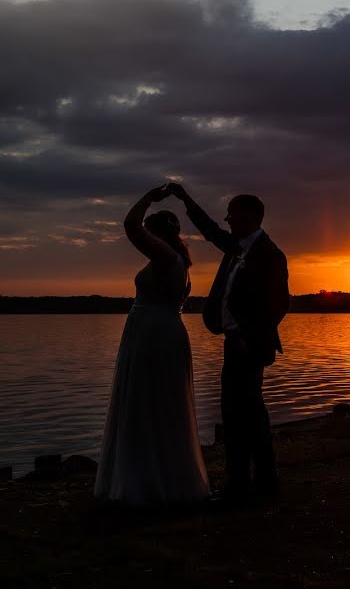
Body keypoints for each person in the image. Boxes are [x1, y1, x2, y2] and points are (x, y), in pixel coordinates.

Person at [167, 182, 289, 500]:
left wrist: (251, 338)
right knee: (236, 412)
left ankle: (254, 484)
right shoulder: (237, 247)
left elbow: (278, 303)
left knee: (246, 412)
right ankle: (247, 483)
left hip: (248, 344)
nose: (227, 219)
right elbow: (209, 229)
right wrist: (185, 199)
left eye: (232, 213)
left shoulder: (269, 254)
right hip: (233, 341)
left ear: (251, 215)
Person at [94, 185, 210, 505]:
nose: (146, 236)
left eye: (151, 231)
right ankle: (164, 476)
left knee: (147, 401)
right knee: (159, 402)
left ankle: (145, 481)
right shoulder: (180, 263)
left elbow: (130, 225)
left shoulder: (164, 255)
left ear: (158, 233)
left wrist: (149, 196)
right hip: (162, 330)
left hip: (152, 333)